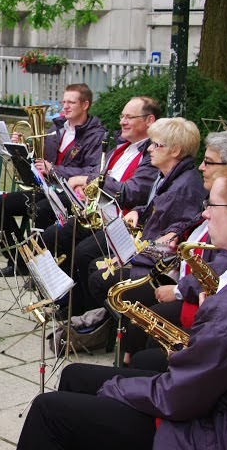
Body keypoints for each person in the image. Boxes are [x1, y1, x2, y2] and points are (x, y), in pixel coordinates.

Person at [16, 162, 227, 450]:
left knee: (47, 410)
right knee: (75, 375)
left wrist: (114, 390)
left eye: (211, 205)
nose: (205, 214)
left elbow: (177, 398)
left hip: (216, 430)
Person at [122, 128, 227, 364]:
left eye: (208, 162)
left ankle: (136, 371)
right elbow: (193, 225)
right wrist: (178, 232)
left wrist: (176, 290)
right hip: (181, 279)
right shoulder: (218, 199)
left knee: (143, 342)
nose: (200, 167)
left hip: (199, 298)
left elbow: (223, 267)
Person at [37, 97, 159, 313]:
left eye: (129, 117)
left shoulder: (151, 153)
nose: (122, 121)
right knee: (51, 236)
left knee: (84, 252)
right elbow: (98, 172)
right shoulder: (122, 147)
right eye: (122, 116)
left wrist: (89, 182)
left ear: (149, 120)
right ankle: (64, 294)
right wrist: (86, 182)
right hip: (97, 213)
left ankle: (86, 309)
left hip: (120, 222)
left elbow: (132, 191)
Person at [87, 117, 206, 311]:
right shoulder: (169, 175)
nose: (149, 149)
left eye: (155, 145)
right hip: (146, 253)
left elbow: (167, 244)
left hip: (160, 269)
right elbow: (155, 207)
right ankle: (102, 324)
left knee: (97, 278)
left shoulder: (183, 190)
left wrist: (127, 259)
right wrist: (137, 211)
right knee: (93, 265)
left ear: (175, 151)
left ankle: (108, 329)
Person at [0, 83, 107, 277]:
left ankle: (45, 268)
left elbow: (92, 171)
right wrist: (21, 147)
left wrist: (54, 169)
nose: (65, 106)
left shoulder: (96, 134)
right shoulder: (57, 127)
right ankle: (19, 261)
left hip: (69, 195)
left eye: (71, 102)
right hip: (45, 188)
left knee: (42, 210)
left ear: (85, 105)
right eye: (64, 101)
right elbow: (39, 157)